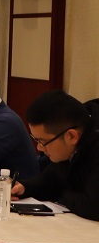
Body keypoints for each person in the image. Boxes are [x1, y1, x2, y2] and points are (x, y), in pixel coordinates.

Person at [11, 91, 99, 221]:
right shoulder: (72, 138)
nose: (39, 148)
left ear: (71, 136)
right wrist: (24, 188)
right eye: (36, 140)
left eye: (43, 142)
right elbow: (51, 179)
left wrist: (61, 190)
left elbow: (93, 207)